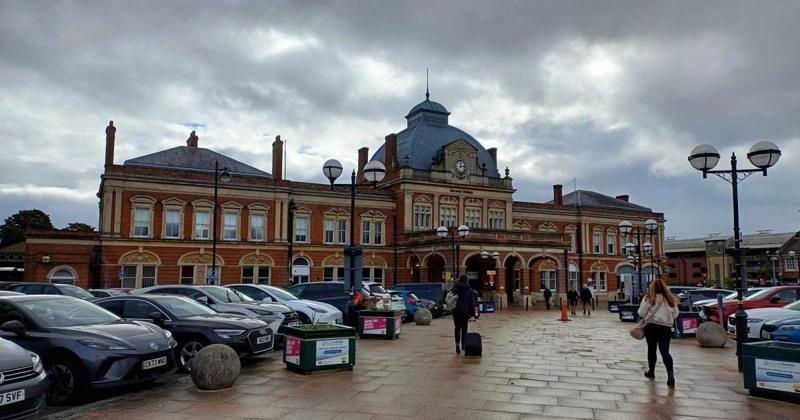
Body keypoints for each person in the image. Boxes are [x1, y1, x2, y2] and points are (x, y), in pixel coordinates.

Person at [638, 278, 679, 388]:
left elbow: (641, 312)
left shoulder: (649, 298)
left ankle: (651, 371)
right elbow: (676, 314)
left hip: (651, 327)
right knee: (665, 352)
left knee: (652, 350)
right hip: (666, 328)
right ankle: (670, 375)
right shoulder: (670, 299)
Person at [451, 274, 477, 354]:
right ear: (467, 281)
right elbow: (472, 303)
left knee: (457, 327)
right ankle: (463, 345)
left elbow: (449, 298)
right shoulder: (469, 290)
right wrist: (473, 314)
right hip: (465, 311)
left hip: (456, 311)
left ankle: (457, 344)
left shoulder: (455, 288)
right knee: (464, 328)